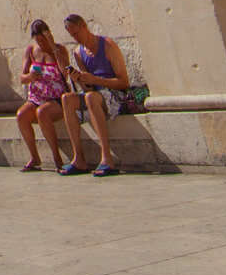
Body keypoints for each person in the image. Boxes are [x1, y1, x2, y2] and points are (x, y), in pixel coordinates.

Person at [59, 13, 143, 177]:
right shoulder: (78, 52)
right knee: (67, 99)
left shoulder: (108, 45)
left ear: (84, 26)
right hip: (95, 94)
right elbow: (88, 87)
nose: (75, 38)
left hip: (115, 94)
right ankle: (79, 159)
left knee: (91, 98)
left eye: (76, 33)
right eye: (71, 35)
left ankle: (107, 158)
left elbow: (123, 82)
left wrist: (96, 79)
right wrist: (79, 79)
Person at [16, 20, 72, 172]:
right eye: (38, 40)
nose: (41, 42)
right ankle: (34, 157)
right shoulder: (31, 51)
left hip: (56, 98)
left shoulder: (59, 49)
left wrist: (53, 47)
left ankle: (56, 157)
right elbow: (22, 78)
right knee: (21, 115)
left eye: (43, 39)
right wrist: (30, 77)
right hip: (36, 97)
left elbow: (65, 72)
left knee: (42, 113)